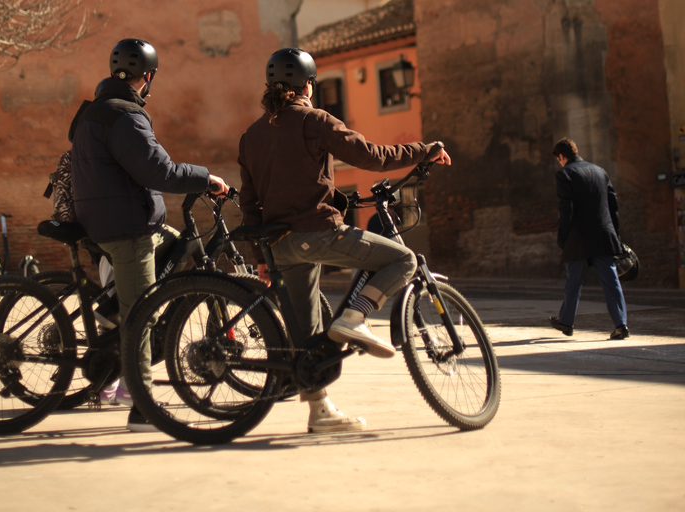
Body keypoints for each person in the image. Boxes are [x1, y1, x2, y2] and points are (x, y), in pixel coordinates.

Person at [238, 47, 451, 433]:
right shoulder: (314, 120)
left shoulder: (251, 135)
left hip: (280, 245)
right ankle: (355, 317)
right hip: (316, 234)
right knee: (403, 260)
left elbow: (250, 203)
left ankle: (320, 412)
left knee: (308, 338)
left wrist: (261, 257)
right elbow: (369, 156)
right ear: (308, 84)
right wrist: (424, 150)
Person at [70, 38, 228, 431]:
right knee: (140, 314)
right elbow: (160, 171)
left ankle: (109, 312)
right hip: (126, 228)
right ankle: (142, 408)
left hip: (100, 219)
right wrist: (205, 178)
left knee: (173, 241)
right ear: (149, 77)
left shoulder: (92, 112)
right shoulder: (126, 116)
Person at [548, 137, 630, 340]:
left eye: (558, 159)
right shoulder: (600, 171)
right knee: (611, 280)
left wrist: (563, 237)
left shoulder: (565, 174)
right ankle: (621, 325)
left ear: (561, 156)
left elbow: (566, 210)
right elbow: (613, 205)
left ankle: (567, 322)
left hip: (578, 236)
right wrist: (616, 236)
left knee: (573, 280)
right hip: (603, 234)